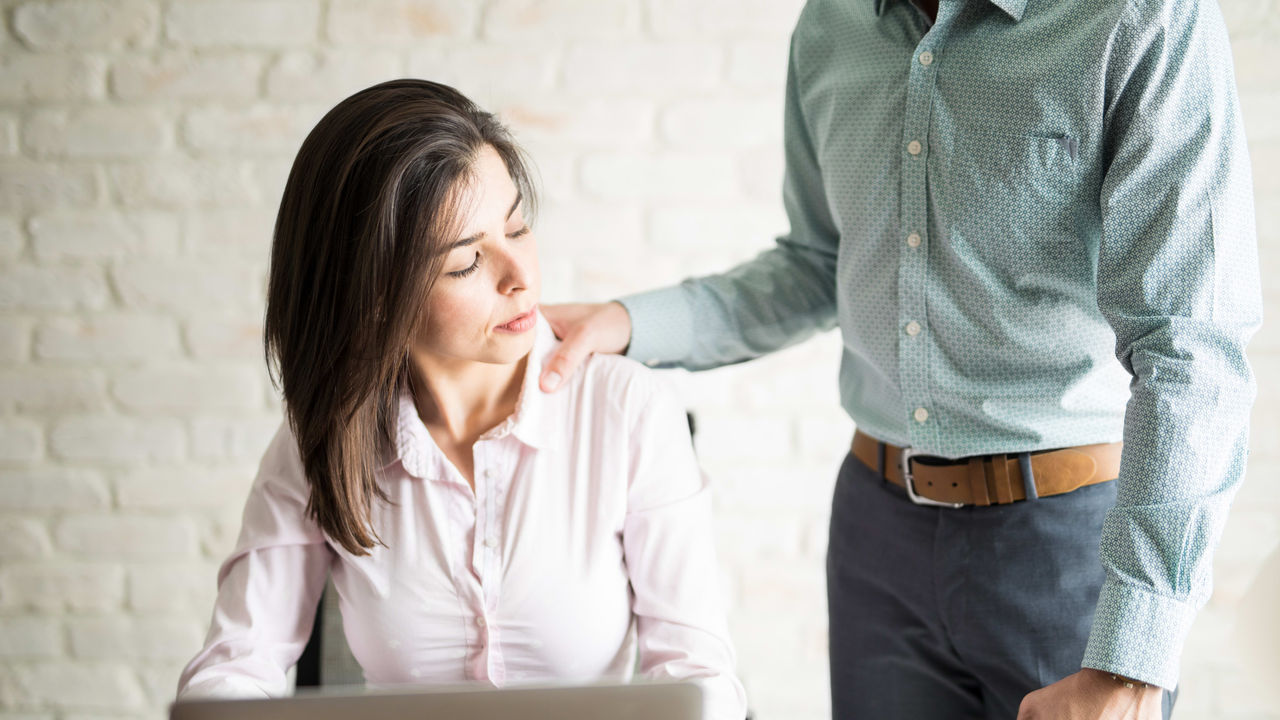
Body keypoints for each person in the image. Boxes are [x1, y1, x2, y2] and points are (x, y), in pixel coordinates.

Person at [536, 0, 1261, 718]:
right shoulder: (831, 25)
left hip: (1069, 544)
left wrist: (1131, 663)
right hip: (878, 533)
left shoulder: (1139, 18)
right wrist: (632, 324)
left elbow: (1190, 348)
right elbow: (818, 264)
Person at [176, 79, 747, 720]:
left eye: (518, 227)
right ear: (373, 298)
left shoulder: (629, 412)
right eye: (466, 263)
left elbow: (701, 680)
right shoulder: (322, 442)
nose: (521, 277)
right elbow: (234, 671)